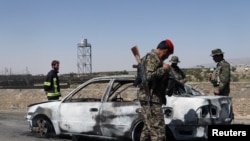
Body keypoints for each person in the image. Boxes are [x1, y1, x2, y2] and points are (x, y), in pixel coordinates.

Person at [139, 39, 174, 141]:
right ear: (164, 50)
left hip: (149, 97)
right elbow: (148, 77)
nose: (167, 57)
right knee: (158, 131)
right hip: (151, 98)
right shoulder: (152, 58)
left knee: (148, 129)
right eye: (168, 54)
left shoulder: (152, 58)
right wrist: (164, 69)